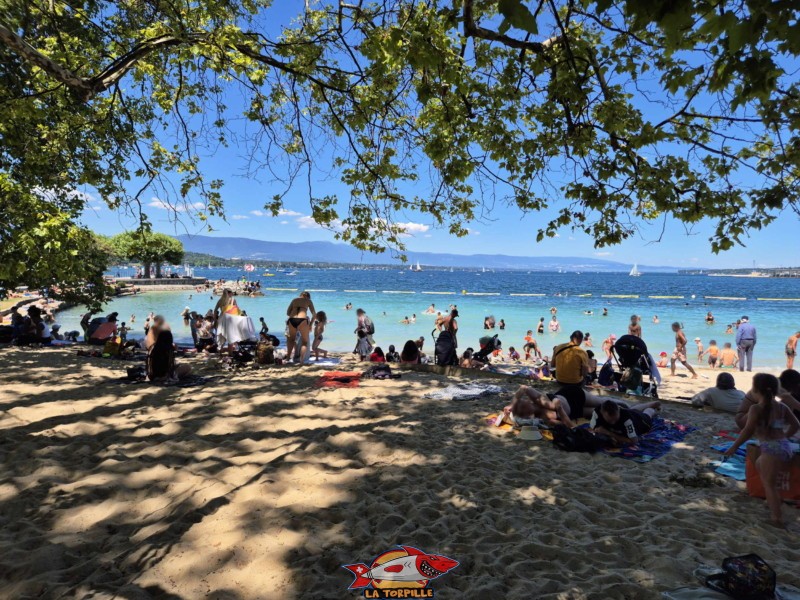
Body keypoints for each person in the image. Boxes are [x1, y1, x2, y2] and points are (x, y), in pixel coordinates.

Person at [724, 373, 800, 527]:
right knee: (760, 465)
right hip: (784, 447)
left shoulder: (755, 408)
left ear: (756, 390)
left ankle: (777, 519)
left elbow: (747, 431)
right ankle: (773, 500)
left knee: (769, 485)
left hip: (771, 449)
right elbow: (796, 425)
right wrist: (785, 436)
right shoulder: (782, 407)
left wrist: (734, 447)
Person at [735, 369, 800, 429]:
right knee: (786, 401)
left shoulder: (774, 382)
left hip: (753, 418)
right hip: (742, 419)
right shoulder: (774, 387)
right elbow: (796, 405)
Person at [590, 399, 661, 445]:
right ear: (602, 413)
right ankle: (649, 404)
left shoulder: (627, 419)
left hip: (641, 421)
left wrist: (608, 433)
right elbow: (594, 428)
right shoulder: (597, 412)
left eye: (615, 419)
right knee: (631, 410)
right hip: (629, 412)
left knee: (647, 413)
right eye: (610, 420)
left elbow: (634, 441)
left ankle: (651, 407)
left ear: (618, 410)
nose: (613, 423)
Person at [285, 291, 316, 364]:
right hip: (302, 320)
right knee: (304, 342)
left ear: (300, 295)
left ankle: (288, 358)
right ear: (308, 297)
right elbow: (314, 315)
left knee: (291, 340)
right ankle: (301, 361)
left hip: (292, 320)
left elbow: (288, 313)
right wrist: (310, 325)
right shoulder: (309, 301)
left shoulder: (294, 300)